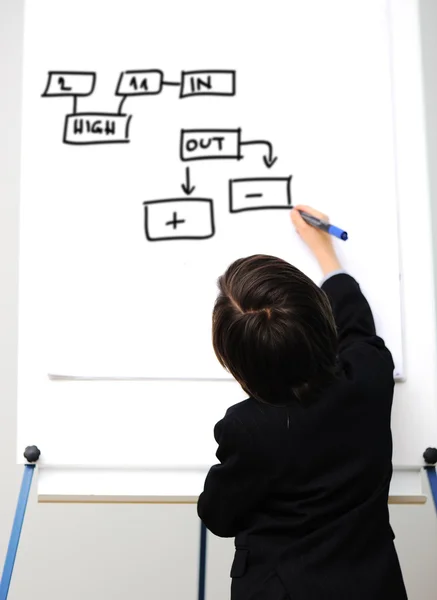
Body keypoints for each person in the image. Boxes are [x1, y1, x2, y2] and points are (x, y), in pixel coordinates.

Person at [197, 205, 408, 599]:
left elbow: (218, 515)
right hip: (373, 586)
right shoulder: (370, 376)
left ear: (239, 369)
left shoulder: (247, 428)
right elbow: (358, 328)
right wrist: (327, 257)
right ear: (322, 323)